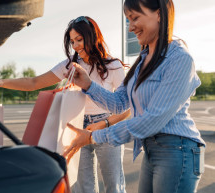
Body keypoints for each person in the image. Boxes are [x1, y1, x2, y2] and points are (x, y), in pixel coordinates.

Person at [63, 1, 206, 193]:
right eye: (128, 20)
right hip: (151, 149)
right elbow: (120, 104)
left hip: (178, 150)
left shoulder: (179, 58)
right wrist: (88, 84)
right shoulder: (143, 60)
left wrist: (93, 137)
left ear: (159, 14)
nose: (130, 27)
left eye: (135, 18)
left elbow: (151, 121)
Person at [0, 16, 130, 193]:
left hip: (107, 126)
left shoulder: (113, 66)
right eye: (72, 41)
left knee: (114, 185)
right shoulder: (70, 65)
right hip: (77, 126)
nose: (75, 46)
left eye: (79, 39)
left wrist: (102, 124)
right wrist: (1, 82)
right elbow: (34, 83)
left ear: (93, 36)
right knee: (83, 187)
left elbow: (126, 108)